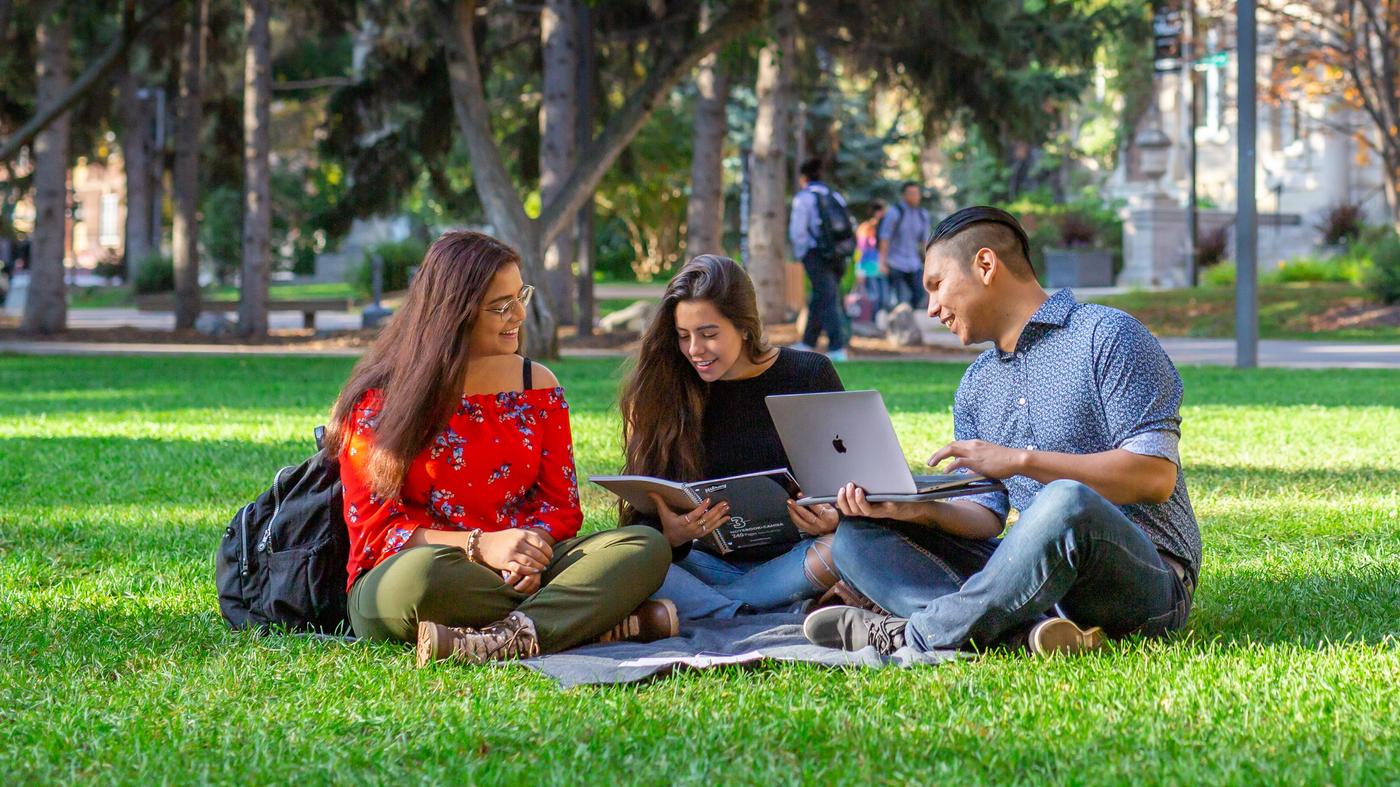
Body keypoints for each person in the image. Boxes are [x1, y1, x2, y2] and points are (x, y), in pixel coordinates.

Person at [805, 206, 1201, 656]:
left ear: (986, 265)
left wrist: (1019, 461)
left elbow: (1154, 478)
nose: (931, 308)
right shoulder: (976, 383)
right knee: (858, 536)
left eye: (936, 285)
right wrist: (913, 511)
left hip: (1146, 580)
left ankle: (915, 634)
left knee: (1065, 501)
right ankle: (1025, 636)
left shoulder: (1108, 336)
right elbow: (985, 514)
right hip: (1036, 579)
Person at [326, 230, 674, 667]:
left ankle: (500, 638)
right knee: (423, 579)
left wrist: (530, 552)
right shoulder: (379, 400)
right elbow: (379, 533)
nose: (520, 314)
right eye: (500, 306)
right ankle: (586, 620)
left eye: (520, 296)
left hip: (527, 571)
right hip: (416, 576)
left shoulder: (537, 387)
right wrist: (481, 546)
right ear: (453, 314)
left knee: (645, 547)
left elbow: (560, 507)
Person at [619, 254, 847, 620]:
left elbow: (850, 482)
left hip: (797, 559)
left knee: (848, 548)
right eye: (683, 336)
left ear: (744, 327)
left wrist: (832, 517)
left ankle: (713, 608)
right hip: (704, 564)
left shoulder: (808, 375)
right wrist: (671, 535)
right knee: (621, 557)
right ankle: (759, 610)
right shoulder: (670, 390)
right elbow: (643, 519)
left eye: (709, 334)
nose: (694, 350)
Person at [787, 158, 851, 362]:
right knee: (820, 295)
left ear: (803, 177)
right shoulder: (834, 195)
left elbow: (798, 231)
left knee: (827, 297)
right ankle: (808, 341)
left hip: (815, 253)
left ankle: (837, 347)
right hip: (838, 254)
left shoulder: (804, 198)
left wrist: (801, 254)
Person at [878, 181, 932, 311]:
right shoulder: (895, 213)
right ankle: (898, 325)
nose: (915, 197)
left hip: (913, 263)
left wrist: (929, 262)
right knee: (899, 299)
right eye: (911, 194)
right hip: (895, 262)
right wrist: (882, 262)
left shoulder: (922, 215)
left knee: (919, 295)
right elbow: (884, 237)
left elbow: (924, 241)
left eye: (917, 194)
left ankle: (909, 322)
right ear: (903, 196)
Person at [853, 201, 888, 319]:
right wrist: (859, 270)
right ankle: (871, 322)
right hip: (869, 269)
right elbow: (860, 250)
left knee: (883, 298)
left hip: (879, 269)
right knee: (874, 298)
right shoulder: (865, 229)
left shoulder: (880, 229)